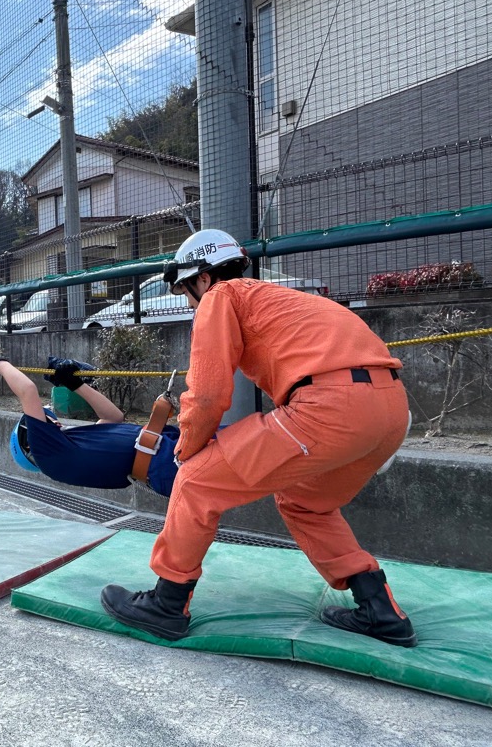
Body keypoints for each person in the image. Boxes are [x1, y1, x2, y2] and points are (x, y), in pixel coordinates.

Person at [100, 229, 417, 647]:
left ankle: (166, 603)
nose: (189, 303)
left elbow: (209, 393)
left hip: (329, 405)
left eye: (186, 291)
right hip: (391, 410)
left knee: (195, 481)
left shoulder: (220, 296)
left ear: (203, 278)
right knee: (307, 503)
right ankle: (380, 610)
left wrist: (187, 450)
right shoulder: (286, 300)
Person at [0, 356, 181, 498]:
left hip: (171, 446)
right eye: (48, 420)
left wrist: (74, 384)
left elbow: (113, 416)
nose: (56, 422)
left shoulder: (72, 447)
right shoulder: (48, 455)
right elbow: (27, 390)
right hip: (165, 462)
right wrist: (0, 364)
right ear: (30, 443)